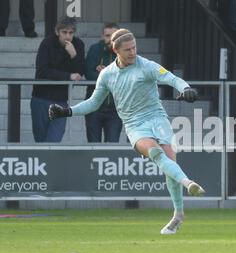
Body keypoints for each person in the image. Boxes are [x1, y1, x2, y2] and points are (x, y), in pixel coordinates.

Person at [48, 29, 205, 235]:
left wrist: (185, 89)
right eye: (127, 49)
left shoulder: (146, 66)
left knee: (169, 161)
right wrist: (68, 111)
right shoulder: (107, 74)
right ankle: (188, 183)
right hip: (134, 125)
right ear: (116, 50)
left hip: (157, 118)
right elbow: (94, 103)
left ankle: (178, 214)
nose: (133, 52)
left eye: (134, 48)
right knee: (156, 153)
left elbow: (171, 78)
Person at [31, 16, 84, 142]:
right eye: (64, 32)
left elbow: (80, 72)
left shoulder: (78, 44)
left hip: (60, 100)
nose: (67, 36)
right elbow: (42, 71)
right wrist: (67, 76)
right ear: (57, 32)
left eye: (71, 33)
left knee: (54, 140)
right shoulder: (47, 43)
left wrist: (74, 55)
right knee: (40, 140)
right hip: (41, 97)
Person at [84, 23, 123, 143]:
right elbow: (88, 73)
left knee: (112, 146)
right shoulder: (95, 49)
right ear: (102, 36)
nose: (111, 39)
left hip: (115, 109)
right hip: (94, 107)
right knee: (93, 147)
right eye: (107, 36)